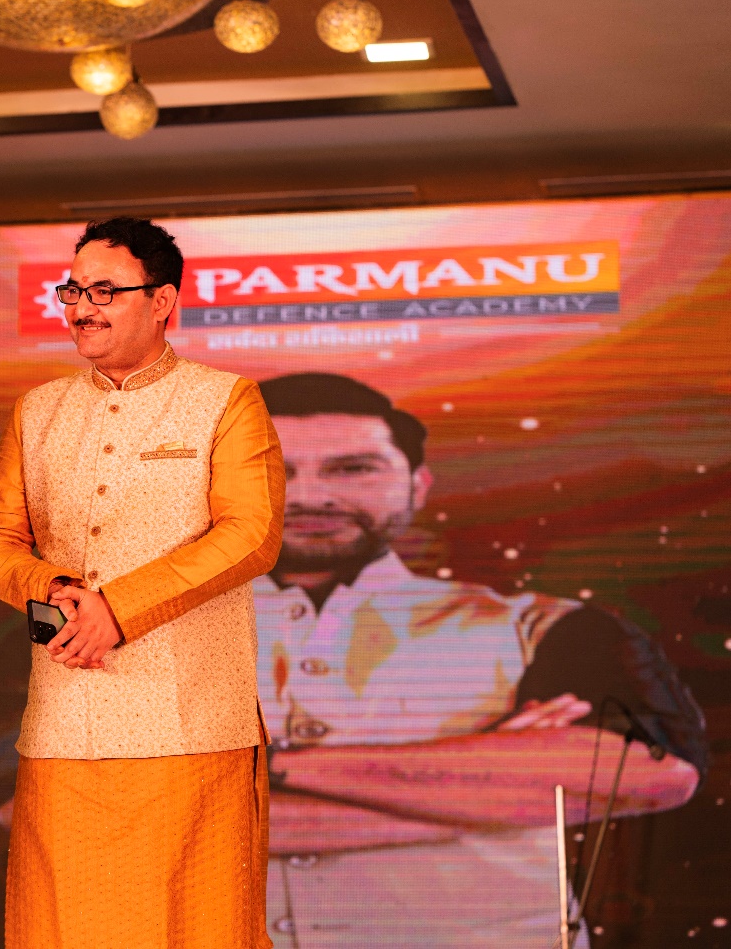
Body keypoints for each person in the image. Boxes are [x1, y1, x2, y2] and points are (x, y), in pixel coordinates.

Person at [255, 372, 706, 948]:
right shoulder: (152, 629)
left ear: (418, 484)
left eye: (353, 469)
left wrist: (271, 768)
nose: (312, 496)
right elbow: (134, 817)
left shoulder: (545, 626)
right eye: (272, 468)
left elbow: (652, 773)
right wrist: (490, 791)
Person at [0, 217, 285, 949]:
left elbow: (251, 533)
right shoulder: (38, 410)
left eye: (104, 291)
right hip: (64, 723)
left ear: (162, 300)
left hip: (192, 725)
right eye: (73, 291)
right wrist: (49, 584)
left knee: (196, 928)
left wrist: (120, 608)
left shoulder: (225, 400)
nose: (82, 307)